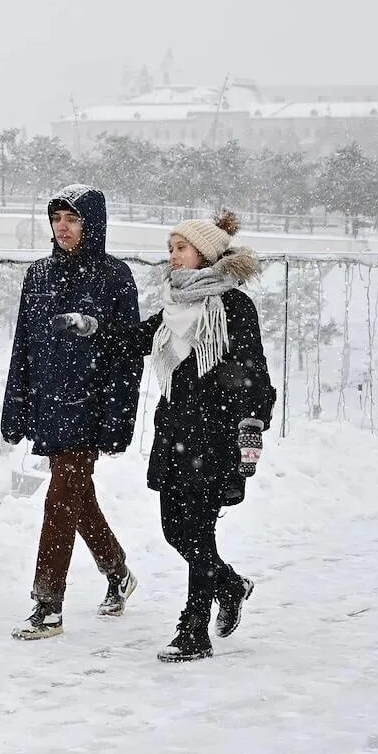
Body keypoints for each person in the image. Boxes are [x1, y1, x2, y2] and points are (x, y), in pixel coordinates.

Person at [122, 210, 275, 662]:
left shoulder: (232, 307)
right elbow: (136, 341)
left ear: (204, 254)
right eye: (170, 249)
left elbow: (256, 375)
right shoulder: (174, 307)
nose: (172, 257)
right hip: (175, 435)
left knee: (200, 532)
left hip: (216, 435)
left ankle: (193, 629)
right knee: (174, 529)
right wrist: (92, 333)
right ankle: (230, 585)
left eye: (180, 248)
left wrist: (250, 424)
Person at [2, 184, 145, 640]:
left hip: (91, 407)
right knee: (76, 498)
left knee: (60, 499)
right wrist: (17, 405)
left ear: (92, 224)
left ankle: (48, 605)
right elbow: (24, 345)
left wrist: (119, 419)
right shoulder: (38, 275)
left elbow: (128, 355)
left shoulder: (115, 277)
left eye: (72, 219)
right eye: (56, 218)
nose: (62, 227)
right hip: (49, 404)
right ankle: (117, 571)